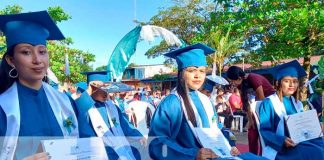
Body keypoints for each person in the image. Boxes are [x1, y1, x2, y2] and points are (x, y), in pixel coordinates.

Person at [148, 43, 264, 160]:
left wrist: (229, 145)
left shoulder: (205, 100)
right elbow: (156, 144)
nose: (198, 75)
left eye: (202, 71)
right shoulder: (171, 103)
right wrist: (192, 154)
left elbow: (217, 129)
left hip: (218, 155)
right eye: (192, 70)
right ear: (181, 73)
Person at [0, 11, 79, 159]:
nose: (37, 60)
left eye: (42, 52)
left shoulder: (65, 102)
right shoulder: (3, 107)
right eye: (26, 52)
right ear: (11, 60)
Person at [258, 60, 324, 160]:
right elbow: (265, 131)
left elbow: (303, 126)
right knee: (314, 152)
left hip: (300, 142)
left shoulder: (297, 103)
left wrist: (315, 127)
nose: (291, 85)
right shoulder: (269, 103)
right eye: (287, 81)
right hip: (282, 148)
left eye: (295, 81)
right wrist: (282, 140)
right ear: (278, 83)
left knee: (321, 146)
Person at [75, 71, 145, 160]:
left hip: (119, 149)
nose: (106, 93)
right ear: (92, 89)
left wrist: (138, 135)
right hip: (101, 153)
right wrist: (88, 93)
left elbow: (125, 125)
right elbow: (76, 111)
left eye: (107, 89)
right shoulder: (85, 109)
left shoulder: (112, 107)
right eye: (102, 89)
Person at [226, 65, 276, 154]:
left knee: (263, 132)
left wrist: (257, 119)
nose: (231, 84)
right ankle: (253, 156)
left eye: (232, 81)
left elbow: (262, 100)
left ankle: (263, 155)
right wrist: (250, 120)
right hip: (257, 107)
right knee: (251, 132)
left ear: (239, 78)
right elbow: (246, 103)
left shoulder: (253, 78)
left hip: (270, 107)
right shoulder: (240, 84)